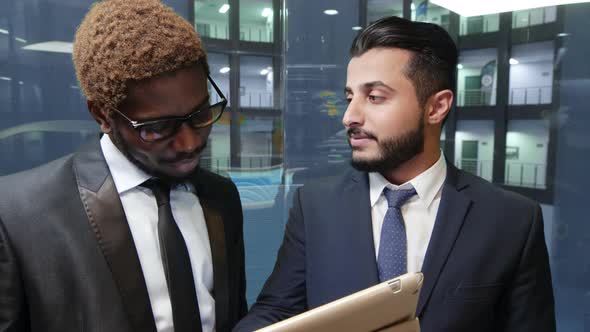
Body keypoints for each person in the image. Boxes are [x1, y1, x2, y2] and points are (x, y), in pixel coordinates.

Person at [234, 16, 555, 332]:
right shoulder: (315, 206)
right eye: (350, 97)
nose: (349, 116)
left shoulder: (511, 220)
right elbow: (276, 311)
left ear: (436, 107)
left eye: (374, 97)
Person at [0, 1, 246, 331]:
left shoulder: (222, 196)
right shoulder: (18, 216)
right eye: (158, 128)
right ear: (102, 115)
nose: (189, 143)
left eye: (200, 115)